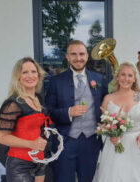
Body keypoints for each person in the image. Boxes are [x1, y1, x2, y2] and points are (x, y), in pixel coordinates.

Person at [45, 40, 108, 182]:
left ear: (87, 56)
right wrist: (68, 112)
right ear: (67, 57)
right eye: (73, 54)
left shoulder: (99, 79)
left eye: (81, 54)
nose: (78, 58)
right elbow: (48, 111)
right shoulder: (56, 81)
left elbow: (106, 107)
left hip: (91, 141)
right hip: (65, 142)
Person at [97, 62, 140, 182]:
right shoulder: (109, 98)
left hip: (138, 144)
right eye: (123, 75)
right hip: (115, 145)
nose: (126, 79)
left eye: (130, 75)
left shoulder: (139, 97)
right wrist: (111, 134)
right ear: (117, 77)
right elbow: (103, 122)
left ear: (134, 79)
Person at [0, 57, 48, 182]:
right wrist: (31, 144)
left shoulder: (39, 99)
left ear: (39, 75)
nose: (30, 76)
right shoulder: (12, 104)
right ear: (18, 77)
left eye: (33, 71)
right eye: (25, 72)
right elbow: (1, 137)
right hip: (20, 164)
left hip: (40, 161)